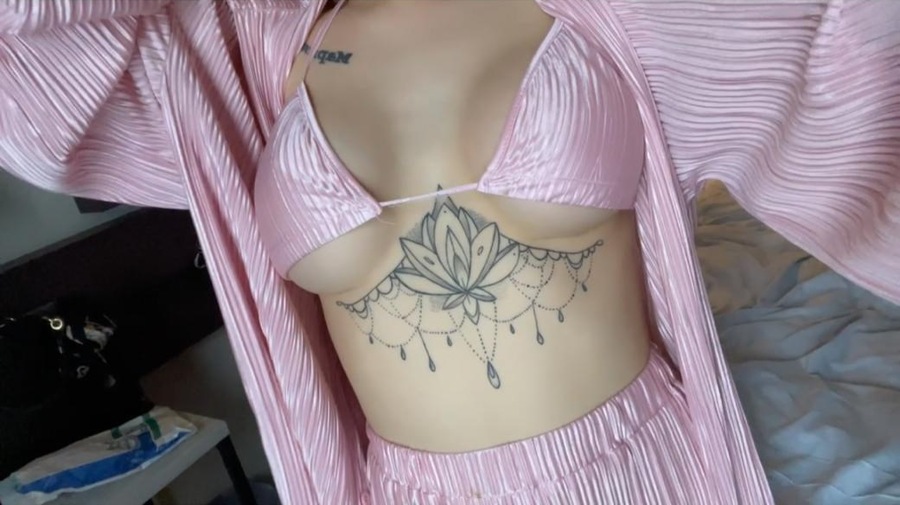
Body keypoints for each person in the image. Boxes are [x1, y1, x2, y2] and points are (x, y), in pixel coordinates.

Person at [1, 1, 897, 503]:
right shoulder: (239, 44)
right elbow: (28, 75)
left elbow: (848, 46)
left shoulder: (622, 13)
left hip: (630, 465)